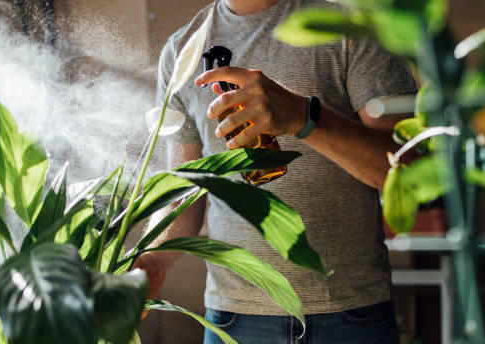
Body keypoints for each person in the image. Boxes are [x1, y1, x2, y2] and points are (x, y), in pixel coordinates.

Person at [133, 0, 417, 343]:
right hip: (233, 320)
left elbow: (409, 169)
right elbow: (186, 185)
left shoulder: (351, 28)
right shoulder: (183, 49)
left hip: (349, 313)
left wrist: (304, 117)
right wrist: (152, 259)